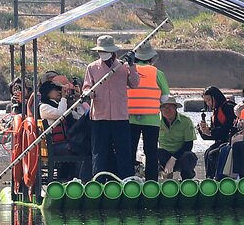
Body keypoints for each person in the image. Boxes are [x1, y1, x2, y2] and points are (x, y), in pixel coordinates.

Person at [82, 34, 140, 178]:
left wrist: (132, 65)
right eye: (100, 51)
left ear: (112, 51)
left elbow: (135, 83)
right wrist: (88, 93)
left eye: (105, 51)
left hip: (120, 116)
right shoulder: (92, 67)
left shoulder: (122, 67)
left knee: (124, 152)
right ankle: (98, 182)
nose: (103, 54)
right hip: (99, 117)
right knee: (99, 152)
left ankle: (127, 181)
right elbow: (87, 87)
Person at [128, 41, 171, 181]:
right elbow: (165, 97)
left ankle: (128, 179)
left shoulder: (129, 70)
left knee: (130, 151)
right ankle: (151, 182)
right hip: (152, 118)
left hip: (130, 118)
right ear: (151, 58)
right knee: (151, 152)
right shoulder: (157, 72)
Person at [38, 78, 90, 180]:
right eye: (55, 90)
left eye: (59, 90)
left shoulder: (61, 105)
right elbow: (60, 114)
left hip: (66, 142)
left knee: (88, 147)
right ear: (47, 92)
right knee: (83, 149)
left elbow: (79, 116)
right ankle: (80, 179)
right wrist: (63, 98)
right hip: (55, 146)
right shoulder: (44, 107)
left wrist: (77, 101)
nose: (58, 92)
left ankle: (76, 178)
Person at [199, 85, 239, 178]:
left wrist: (211, 131)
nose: (208, 103)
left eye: (209, 100)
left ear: (216, 97)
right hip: (221, 141)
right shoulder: (216, 112)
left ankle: (219, 178)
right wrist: (203, 131)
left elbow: (228, 127)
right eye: (206, 101)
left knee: (213, 154)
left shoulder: (228, 108)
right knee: (207, 153)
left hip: (229, 141)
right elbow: (214, 134)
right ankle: (209, 178)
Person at [156, 95, 197, 180]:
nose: (167, 110)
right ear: (160, 109)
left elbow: (189, 145)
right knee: (154, 154)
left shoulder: (186, 121)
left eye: (170, 107)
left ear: (175, 108)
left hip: (181, 155)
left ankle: (187, 180)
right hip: (164, 155)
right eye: (164, 107)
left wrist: (173, 159)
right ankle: (156, 180)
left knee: (189, 156)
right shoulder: (156, 121)